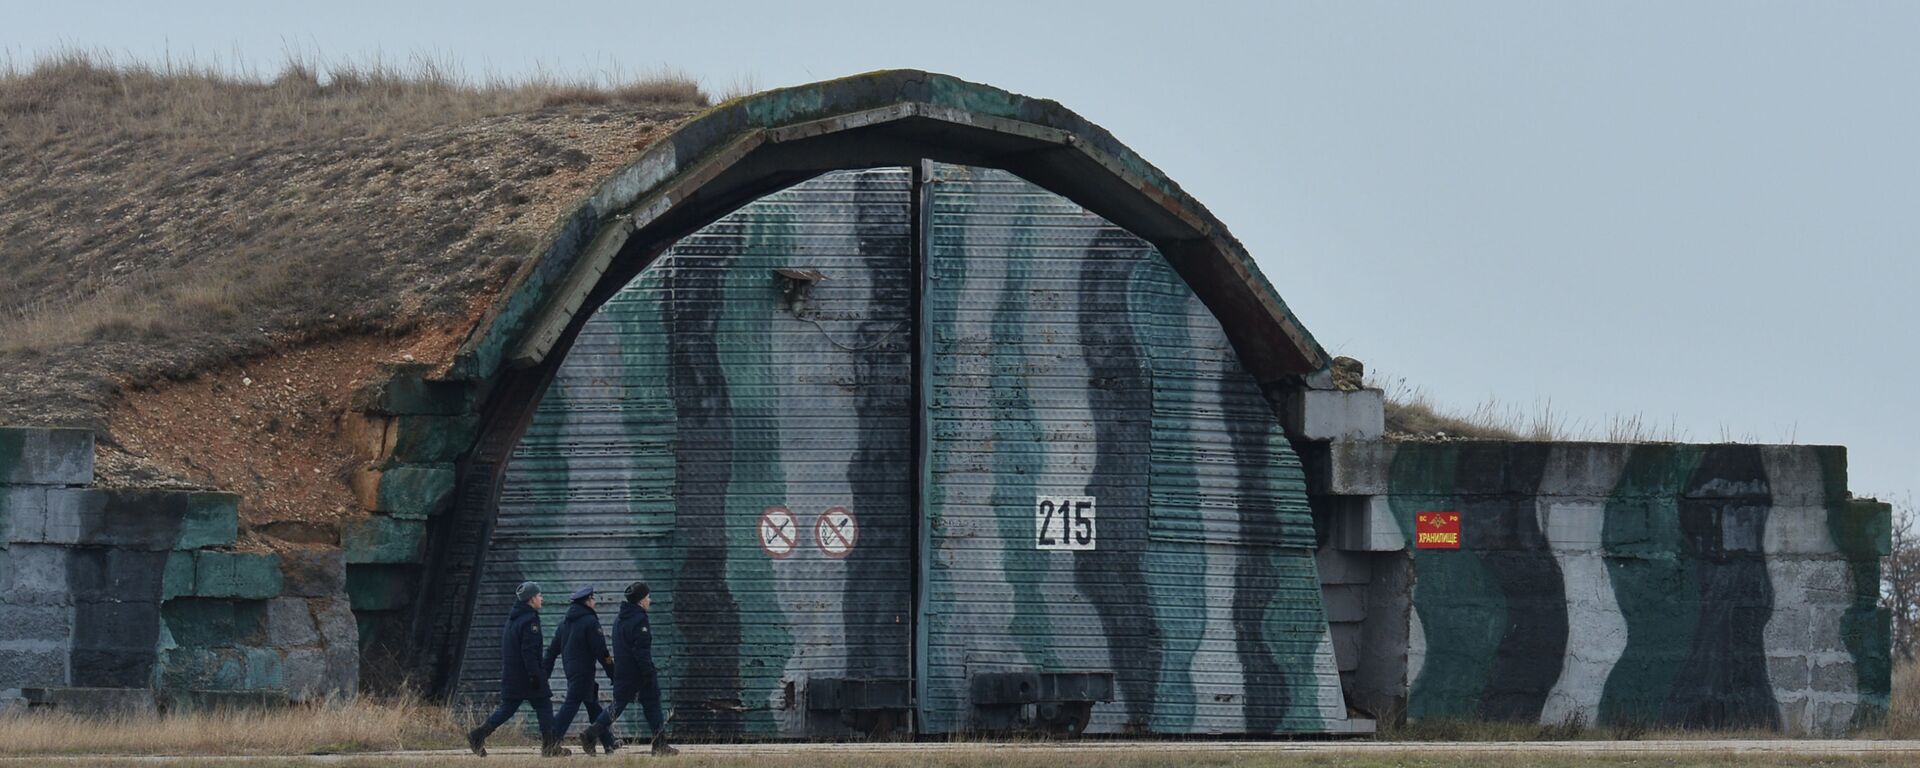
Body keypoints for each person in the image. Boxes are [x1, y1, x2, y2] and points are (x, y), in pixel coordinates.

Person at [467, 581, 570, 757]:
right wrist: (536, 676)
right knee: (544, 705)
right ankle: (550, 747)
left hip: (513, 675)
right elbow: (529, 652)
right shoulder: (530, 621)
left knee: (509, 708)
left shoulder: (513, 619)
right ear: (531, 599)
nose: (542, 599)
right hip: (527, 676)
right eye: (539, 596)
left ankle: (478, 735)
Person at [580, 582, 676, 756]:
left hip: (623, 671)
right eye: (647, 597)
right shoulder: (639, 620)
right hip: (638, 672)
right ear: (640, 601)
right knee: (652, 703)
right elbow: (641, 650)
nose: (650, 600)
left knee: (619, 706)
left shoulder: (620, 619)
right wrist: (647, 671)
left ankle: (590, 734)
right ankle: (660, 745)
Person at [546, 586, 620, 754]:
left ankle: (609, 742)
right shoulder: (590, 622)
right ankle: (550, 743)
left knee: (592, 703)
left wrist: (545, 672)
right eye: (593, 599)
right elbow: (602, 652)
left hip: (571, 671)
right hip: (584, 672)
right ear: (587, 601)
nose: (595, 602)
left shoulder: (564, 624)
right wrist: (612, 672)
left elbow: (551, 651)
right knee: (570, 706)